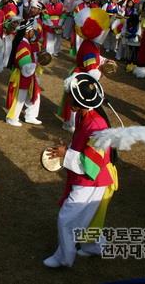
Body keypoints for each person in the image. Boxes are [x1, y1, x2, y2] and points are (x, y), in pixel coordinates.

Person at [44, 73, 117, 267]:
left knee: (67, 218)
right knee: (88, 216)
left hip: (91, 180)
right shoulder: (85, 116)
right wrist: (68, 147)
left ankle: (64, 258)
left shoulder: (96, 125)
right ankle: (95, 246)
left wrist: (65, 153)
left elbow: (90, 164)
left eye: (69, 96)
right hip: (90, 178)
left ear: (77, 103)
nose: (66, 99)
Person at [5, 19, 42, 126]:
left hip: (26, 75)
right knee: (19, 98)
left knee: (33, 95)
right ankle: (12, 118)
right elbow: (26, 68)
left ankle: (30, 115)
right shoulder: (23, 46)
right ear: (27, 32)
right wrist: (37, 64)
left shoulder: (24, 43)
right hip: (22, 76)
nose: (33, 33)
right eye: (32, 31)